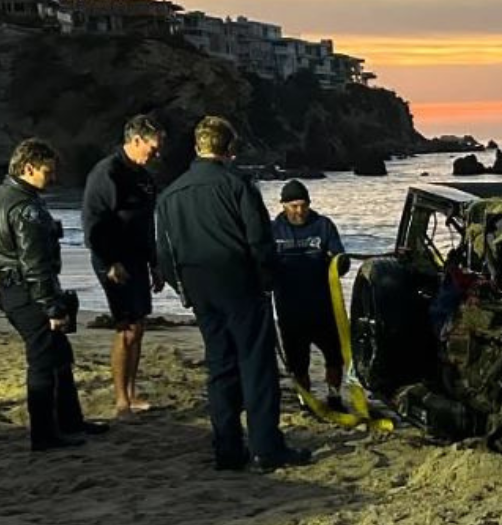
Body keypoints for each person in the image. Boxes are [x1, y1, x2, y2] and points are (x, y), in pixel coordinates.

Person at [156, 117, 311, 473]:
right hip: (239, 281)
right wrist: (267, 278)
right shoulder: (238, 185)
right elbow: (259, 239)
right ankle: (265, 447)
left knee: (220, 365)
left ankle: (227, 448)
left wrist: (181, 288)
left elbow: (164, 250)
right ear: (230, 150)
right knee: (256, 365)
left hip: (199, 285)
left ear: (197, 148)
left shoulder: (170, 194)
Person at [0, 139, 110, 451]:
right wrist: (52, 307)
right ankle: (44, 434)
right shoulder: (27, 209)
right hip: (27, 291)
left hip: (10, 287)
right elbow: (35, 264)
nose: (52, 177)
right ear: (28, 168)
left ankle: (68, 421)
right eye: (47, 171)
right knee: (43, 360)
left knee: (58, 355)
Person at [82, 114, 165, 418]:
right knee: (126, 328)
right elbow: (92, 224)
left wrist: (155, 264)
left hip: (138, 257)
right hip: (112, 259)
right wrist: (109, 262)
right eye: (153, 148)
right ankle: (120, 400)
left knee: (139, 326)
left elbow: (146, 226)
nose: (157, 154)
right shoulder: (107, 173)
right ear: (136, 140)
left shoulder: (144, 177)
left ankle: (131, 391)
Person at [270, 180, 348, 410]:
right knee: (297, 361)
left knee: (334, 356)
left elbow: (340, 258)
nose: (299, 211)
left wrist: (340, 262)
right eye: (293, 206)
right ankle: (306, 399)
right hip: (289, 307)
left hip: (323, 305)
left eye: (303, 205)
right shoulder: (273, 230)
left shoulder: (323, 225)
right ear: (283, 205)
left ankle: (334, 396)